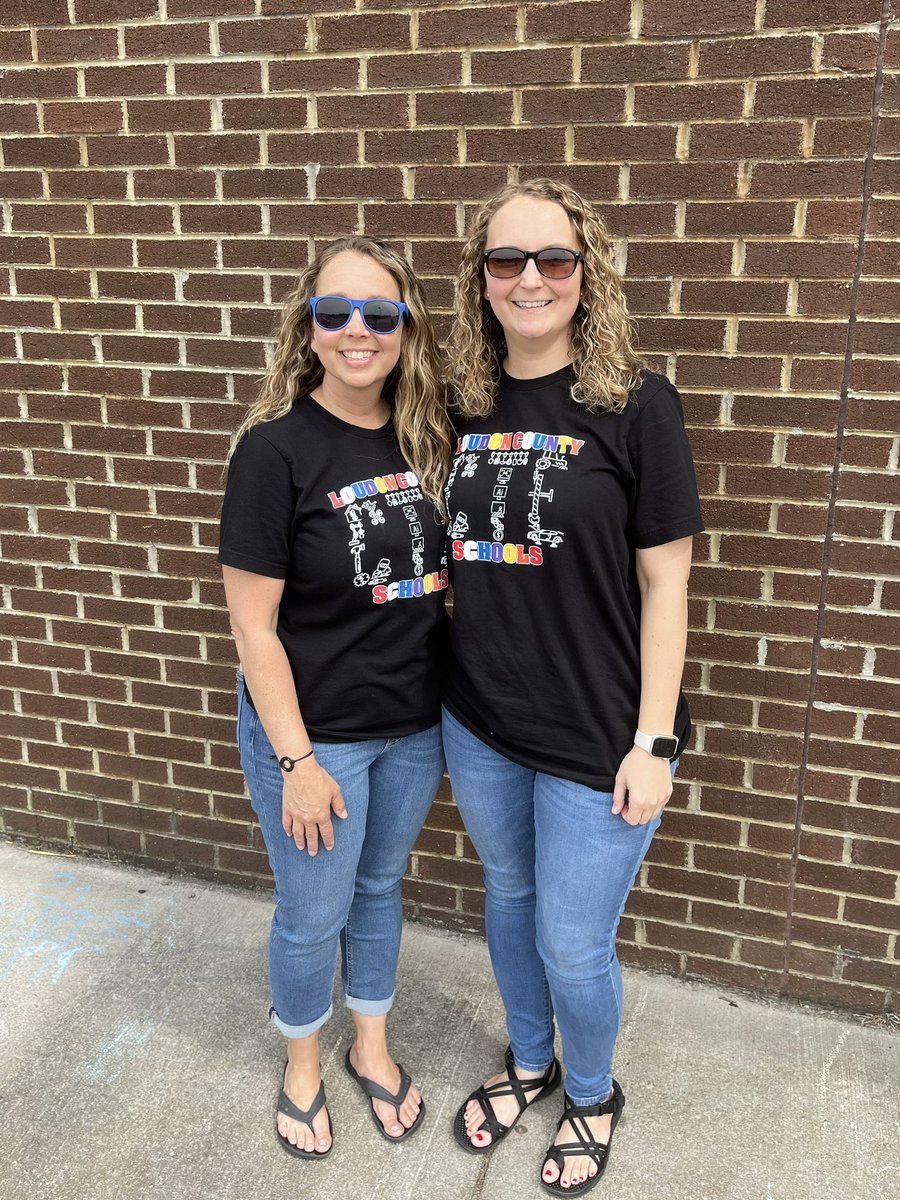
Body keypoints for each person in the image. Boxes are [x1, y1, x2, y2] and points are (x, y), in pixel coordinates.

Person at [442, 179, 704, 1195]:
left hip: (603, 735)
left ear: (586, 274)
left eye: (554, 259)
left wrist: (655, 742)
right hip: (482, 722)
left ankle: (590, 1094)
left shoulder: (637, 405)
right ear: (481, 280)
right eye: (506, 260)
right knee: (509, 901)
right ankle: (529, 1062)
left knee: (573, 940)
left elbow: (667, 584)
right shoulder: (459, 405)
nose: (531, 279)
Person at [218, 236, 452, 1160]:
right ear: (308, 326)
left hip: (414, 729)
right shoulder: (274, 450)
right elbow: (253, 629)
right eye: (335, 311)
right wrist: (298, 762)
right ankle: (303, 1066)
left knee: (379, 889)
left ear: (406, 327)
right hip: (316, 739)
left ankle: (371, 1045)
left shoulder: (428, 437)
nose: (358, 330)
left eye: (380, 313)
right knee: (313, 911)